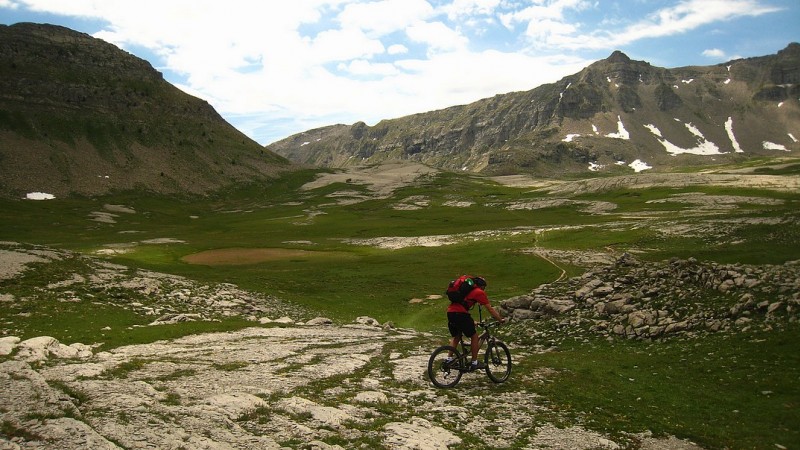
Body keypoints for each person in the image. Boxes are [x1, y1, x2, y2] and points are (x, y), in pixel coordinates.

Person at [446, 276, 505, 371]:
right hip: (461, 314)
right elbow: (490, 309)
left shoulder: (464, 292)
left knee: (456, 336)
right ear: (481, 286)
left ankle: (449, 359)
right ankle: (474, 362)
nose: (484, 289)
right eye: (484, 287)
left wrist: (472, 321)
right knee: (474, 336)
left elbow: (462, 306)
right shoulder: (479, 292)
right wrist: (500, 320)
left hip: (451, 312)